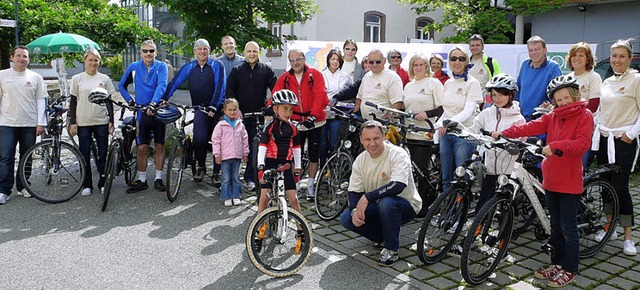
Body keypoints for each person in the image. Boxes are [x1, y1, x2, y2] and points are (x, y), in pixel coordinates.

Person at [492, 75, 593, 288]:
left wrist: (557, 146)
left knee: (568, 228)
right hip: (551, 179)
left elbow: (582, 143)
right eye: (559, 99)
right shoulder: (554, 115)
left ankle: (569, 269)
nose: (563, 102)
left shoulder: (585, 115)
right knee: (554, 227)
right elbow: (531, 127)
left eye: (566, 97)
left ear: (574, 95)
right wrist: (504, 133)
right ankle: (556, 264)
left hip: (569, 180)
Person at [340, 120, 422, 266]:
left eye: (376, 138)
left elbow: (398, 185)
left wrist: (367, 197)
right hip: (377, 204)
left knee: (387, 203)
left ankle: (392, 249)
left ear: (384, 136)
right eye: (367, 139)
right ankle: (384, 236)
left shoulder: (398, 154)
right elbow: (353, 190)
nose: (372, 143)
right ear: (361, 140)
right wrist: (354, 210)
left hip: (406, 205)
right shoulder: (360, 160)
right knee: (347, 218)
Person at [593, 39, 639, 256]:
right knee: (605, 185)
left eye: (622, 56)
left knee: (620, 187)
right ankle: (608, 227)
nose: (617, 60)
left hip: (623, 140)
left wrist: (631, 134)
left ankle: (628, 237)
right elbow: (601, 109)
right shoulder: (607, 81)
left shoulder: (636, 79)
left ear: (629, 59)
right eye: (614, 56)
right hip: (605, 138)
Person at [164, 38, 226, 184]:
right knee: (199, 139)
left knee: (218, 141)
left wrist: (214, 106)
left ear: (209, 51)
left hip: (215, 109)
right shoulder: (190, 66)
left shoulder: (217, 65)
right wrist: (164, 98)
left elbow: (220, 86)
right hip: (199, 108)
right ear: (194, 51)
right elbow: (175, 82)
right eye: (199, 49)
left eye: (205, 49)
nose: (202, 51)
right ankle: (201, 167)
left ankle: (217, 172)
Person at [272, 49, 329, 201]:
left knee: (313, 153)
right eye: (292, 60)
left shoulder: (315, 75)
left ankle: (310, 184)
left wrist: (314, 116)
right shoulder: (285, 77)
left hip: (315, 121)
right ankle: (294, 184)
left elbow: (320, 96)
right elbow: (276, 94)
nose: (295, 63)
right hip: (295, 120)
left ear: (304, 59)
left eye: (298, 59)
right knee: (294, 153)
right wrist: (271, 108)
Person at [118, 39, 168, 193]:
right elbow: (121, 85)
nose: (148, 54)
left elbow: (162, 85)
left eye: (151, 51)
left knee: (159, 145)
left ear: (156, 52)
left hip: (157, 111)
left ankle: (158, 178)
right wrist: (129, 100)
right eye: (145, 51)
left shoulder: (161, 66)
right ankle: (142, 180)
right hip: (141, 112)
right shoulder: (134, 67)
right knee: (141, 147)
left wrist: (153, 103)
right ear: (141, 52)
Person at [469, 74, 525, 211]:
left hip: (508, 170)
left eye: (502, 95)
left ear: (511, 95)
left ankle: (504, 228)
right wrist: (459, 129)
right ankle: (478, 229)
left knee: (504, 208)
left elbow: (521, 141)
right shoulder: (486, 113)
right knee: (482, 206)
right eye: (494, 95)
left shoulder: (518, 119)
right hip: (490, 169)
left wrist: (507, 141)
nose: (497, 98)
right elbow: (474, 128)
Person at [226, 41, 277, 191]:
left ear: (259, 52)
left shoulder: (266, 70)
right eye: (249, 51)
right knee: (239, 147)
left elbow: (276, 89)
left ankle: (251, 178)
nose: (252, 54)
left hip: (259, 114)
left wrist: (270, 108)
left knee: (256, 147)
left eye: (254, 51)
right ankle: (231, 178)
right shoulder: (237, 70)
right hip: (241, 114)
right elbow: (230, 92)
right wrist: (236, 110)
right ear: (244, 52)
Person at [0, 46, 47, 204]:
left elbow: (41, 101)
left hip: (29, 124)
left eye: (25, 56)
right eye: (18, 56)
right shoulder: (2, 75)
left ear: (29, 59)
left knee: (27, 157)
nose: (22, 59)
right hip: (7, 123)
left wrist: (41, 123)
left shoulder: (36, 77)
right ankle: (4, 190)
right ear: (12, 58)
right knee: (6, 157)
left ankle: (24, 186)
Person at [69, 49, 116, 196]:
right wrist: (73, 122)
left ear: (99, 62)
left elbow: (109, 102)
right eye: (90, 60)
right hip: (83, 122)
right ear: (85, 61)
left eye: (96, 60)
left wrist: (111, 121)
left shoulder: (104, 79)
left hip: (101, 120)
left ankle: (102, 182)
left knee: (103, 153)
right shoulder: (77, 79)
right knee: (84, 154)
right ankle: (86, 184)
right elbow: (73, 101)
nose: (93, 63)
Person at [435, 46, 483, 190]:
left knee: (461, 176)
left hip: (465, 135)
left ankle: (461, 211)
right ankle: (446, 210)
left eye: (461, 59)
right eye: (453, 58)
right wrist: (438, 125)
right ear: (449, 61)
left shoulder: (472, 83)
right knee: (446, 177)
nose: (457, 62)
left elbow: (468, 110)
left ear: (466, 61)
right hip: (447, 133)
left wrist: (447, 123)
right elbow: (446, 110)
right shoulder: (448, 83)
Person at [402, 54, 443, 216]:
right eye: (415, 65)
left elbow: (442, 107)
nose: (418, 68)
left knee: (421, 170)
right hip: (410, 133)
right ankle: (413, 200)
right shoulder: (408, 86)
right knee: (412, 169)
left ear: (427, 67)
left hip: (426, 133)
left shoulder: (434, 83)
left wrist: (427, 113)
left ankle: (425, 205)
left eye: (421, 65)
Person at [256, 89, 302, 214]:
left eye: (291, 109)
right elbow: (262, 147)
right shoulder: (270, 126)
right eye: (285, 109)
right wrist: (260, 167)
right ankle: (258, 225)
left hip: (286, 164)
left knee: (294, 199)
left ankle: (300, 230)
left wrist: (297, 168)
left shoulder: (293, 128)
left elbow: (297, 149)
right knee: (264, 197)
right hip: (270, 163)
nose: (288, 113)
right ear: (276, 109)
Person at [565, 42, 602, 169]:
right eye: (574, 55)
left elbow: (593, 105)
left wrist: (570, 112)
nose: (577, 58)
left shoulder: (593, 77)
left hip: (585, 129)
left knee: (580, 169)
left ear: (588, 59)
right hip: (568, 129)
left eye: (581, 55)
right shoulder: (567, 78)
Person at [212, 99, 249, 206]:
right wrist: (217, 154)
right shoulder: (220, 125)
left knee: (236, 177)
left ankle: (236, 195)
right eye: (230, 110)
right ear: (224, 111)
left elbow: (244, 140)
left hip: (237, 156)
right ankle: (226, 196)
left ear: (238, 110)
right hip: (225, 157)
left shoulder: (240, 125)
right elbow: (216, 141)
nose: (232, 112)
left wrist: (245, 153)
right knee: (226, 178)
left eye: (234, 110)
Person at [516, 36, 562, 121]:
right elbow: (518, 89)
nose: (534, 53)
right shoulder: (525, 65)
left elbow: (557, 94)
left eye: (537, 49)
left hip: (540, 118)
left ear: (545, 50)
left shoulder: (553, 67)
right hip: (521, 117)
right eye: (531, 50)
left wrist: (548, 105)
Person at [320, 49, 352, 164]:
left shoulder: (346, 77)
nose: (335, 62)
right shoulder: (320, 75)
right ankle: (323, 170)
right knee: (322, 143)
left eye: (337, 59)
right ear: (328, 60)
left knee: (334, 143)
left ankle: (333, 170)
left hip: (337, 114)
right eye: (332, 59)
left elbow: (350, 95)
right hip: (322, 114)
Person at [354, 49, 404, 120]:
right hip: (365, 124)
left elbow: (397, 103)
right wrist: (355, 114)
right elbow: (359, 97)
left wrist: (384, 119)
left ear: (384, 60)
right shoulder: (366, 76)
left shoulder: (393, 77)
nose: (374, 64)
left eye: (378, 62)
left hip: (384, 126)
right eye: (371, 62)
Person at [468, 34, 503, 108]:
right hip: (469, 103)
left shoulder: (491, 62)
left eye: (477, 45)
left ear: (482, 46)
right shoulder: (465, 63)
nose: (475, 47)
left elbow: (499, 84)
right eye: (472, 45)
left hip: (487, 103)